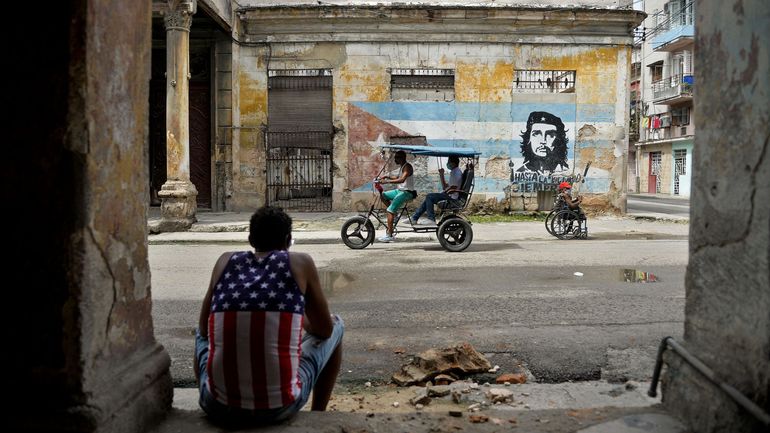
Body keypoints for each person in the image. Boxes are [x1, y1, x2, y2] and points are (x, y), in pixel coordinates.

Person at [194, 206, 344, 425]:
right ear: (288, 239)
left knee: (200, 335)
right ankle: (317, 415)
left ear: (250, 239)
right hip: (278, 408)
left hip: (217, 408)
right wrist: (298, 318)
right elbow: (324, 330)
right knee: (337, 325)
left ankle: (212, 390)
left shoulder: (224, 261)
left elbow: (204, 327)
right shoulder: (300, 263)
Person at [409, 155, 463, 225]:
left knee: (430, 196)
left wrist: (445, 191)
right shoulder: (454, 172)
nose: (448, 164)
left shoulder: (456, 173)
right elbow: (446, 186)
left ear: (454, 163)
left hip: (452, 197)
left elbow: (453, 188)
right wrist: (441, 175)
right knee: (429, 198)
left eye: (449, 162)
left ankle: (431, 219)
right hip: (449, 194)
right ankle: (414, 218)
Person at [376, 150, 416, 242]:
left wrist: (386, 181)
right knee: (383, 195)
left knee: (390, 210)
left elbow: (402, 179)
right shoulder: (402, 167)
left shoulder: (407, 167)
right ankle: (396, 214)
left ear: (402, 158)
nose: (395, 159)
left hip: (407, 192)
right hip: (400, 191)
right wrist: (387, 176)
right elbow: (397, 177)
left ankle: (390, 234)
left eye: (396, 157)